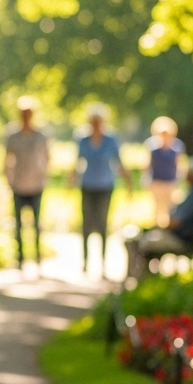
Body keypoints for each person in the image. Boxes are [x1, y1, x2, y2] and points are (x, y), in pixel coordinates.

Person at [127, 157, 193, 271]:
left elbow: (174, 222)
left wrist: (158, 226)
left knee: (138, 240)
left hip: (184, 239)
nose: (184, 176)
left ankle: (138, 275)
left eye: (187, 173)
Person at [71, 103, 132, 279]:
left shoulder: (111, 139)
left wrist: (128, 182)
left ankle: (103, 262)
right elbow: (78, 161)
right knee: (87, 224)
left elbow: (118, 162)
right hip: (88, 185)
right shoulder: (82, 139)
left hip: (105, 185)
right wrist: (72, 178)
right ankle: (86, 261)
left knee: (103, 223)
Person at [5, 95, 49, 269]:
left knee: (37, 224)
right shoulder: (12, 136)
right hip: (18, 185)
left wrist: (43, 175)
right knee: (18, 225)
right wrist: (9, 180)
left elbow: (47, 157)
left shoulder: (40, 136)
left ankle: (38, 257)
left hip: (36, 185)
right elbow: (7, 159)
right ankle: (20, 258)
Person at [144, 117, 185, 227]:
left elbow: (179, 164)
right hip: (156, 181)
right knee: (156, 209)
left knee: (171, 209)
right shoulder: (152, 146)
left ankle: (168, 229)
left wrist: (179, 180)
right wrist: (145, 178)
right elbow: (148, 165)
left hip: (170, 181)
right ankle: (156, 229)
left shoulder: (177, 146)